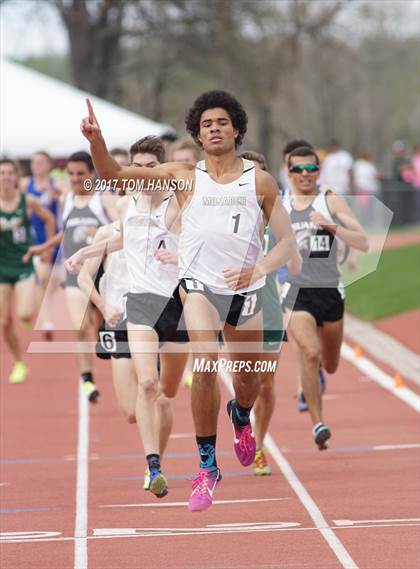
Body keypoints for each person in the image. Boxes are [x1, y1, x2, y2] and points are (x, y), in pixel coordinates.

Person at [78, 90, 297, 511]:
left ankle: (240, 414)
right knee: (205, 360)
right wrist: (96, 144)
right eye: (206, 124)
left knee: (250, 379)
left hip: (246, 292)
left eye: (222, 122)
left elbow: (286, 242)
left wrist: (260, 270)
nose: (214, 129)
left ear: (236, 130)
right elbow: (116, 176)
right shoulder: (182, 175)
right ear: (197, 134)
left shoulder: (261, 181)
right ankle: (207, 465)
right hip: (198, 286)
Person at [66, 136, 189, 499]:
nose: (144, 174)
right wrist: (85, 252)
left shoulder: (178, 204)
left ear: (163, 169)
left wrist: (179, 256)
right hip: (140, 305)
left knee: (167, 393)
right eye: (138, 167)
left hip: (177, 308)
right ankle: (154, 467)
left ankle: (176, 451)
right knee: (148, 385)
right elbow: (120, 239)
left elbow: (201, 246)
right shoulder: (128, 207)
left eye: (152, 167)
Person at [282, 146, 369, 449]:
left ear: (318, 171)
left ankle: (317, 377)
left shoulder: (330, 200)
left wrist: (331, 225)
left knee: (329, 364)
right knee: (308, 352)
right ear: (288, 171)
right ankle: (317, 423)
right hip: (295, 292)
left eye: (310, 169)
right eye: (298, 170)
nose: (305, 175)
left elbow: (363, 240)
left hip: (330, 291)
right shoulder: (280, 203)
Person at [24, 151, 118, 402]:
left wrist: (99, 231)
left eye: (81, 174)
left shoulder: (103, 199)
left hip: (104, 275)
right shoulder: (66, 198)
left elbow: (122, 229)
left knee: (105, 326)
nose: (76, 179)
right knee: (79, 326)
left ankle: (105, 333)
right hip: (75, 275)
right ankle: (87, 380)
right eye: (71, 174)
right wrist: (43, 247)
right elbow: (65, 232)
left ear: (92, 175)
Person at [238, 150, 287, 476]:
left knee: (267, 382)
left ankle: (259, 442)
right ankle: (241, 418)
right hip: (231, 309)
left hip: (268, 307)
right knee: (244, 378)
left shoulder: (277, 219)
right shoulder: (223, 218)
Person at [0, 159, 55, 383]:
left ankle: (33, 310)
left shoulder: (27, 200)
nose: (5, 176)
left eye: (10, 172)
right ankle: (20, 363)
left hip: (23, 262)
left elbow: (49, 219)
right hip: (2, 267)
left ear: (16, 176)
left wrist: (47, 250)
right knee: (4, 322)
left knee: (24, 314)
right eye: (1, 172)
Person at [20, 151, 62, 339]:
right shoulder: (25, 184)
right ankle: (45, 319)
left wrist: (56, 195)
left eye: (41, 162)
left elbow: (66, 202)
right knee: (41, 278)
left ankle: (35, 309)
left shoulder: (56, 183)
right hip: (33, 239)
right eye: (34, 162)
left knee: (54, 282)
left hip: (53, 238)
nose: (37, 165)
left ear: (49, 165)